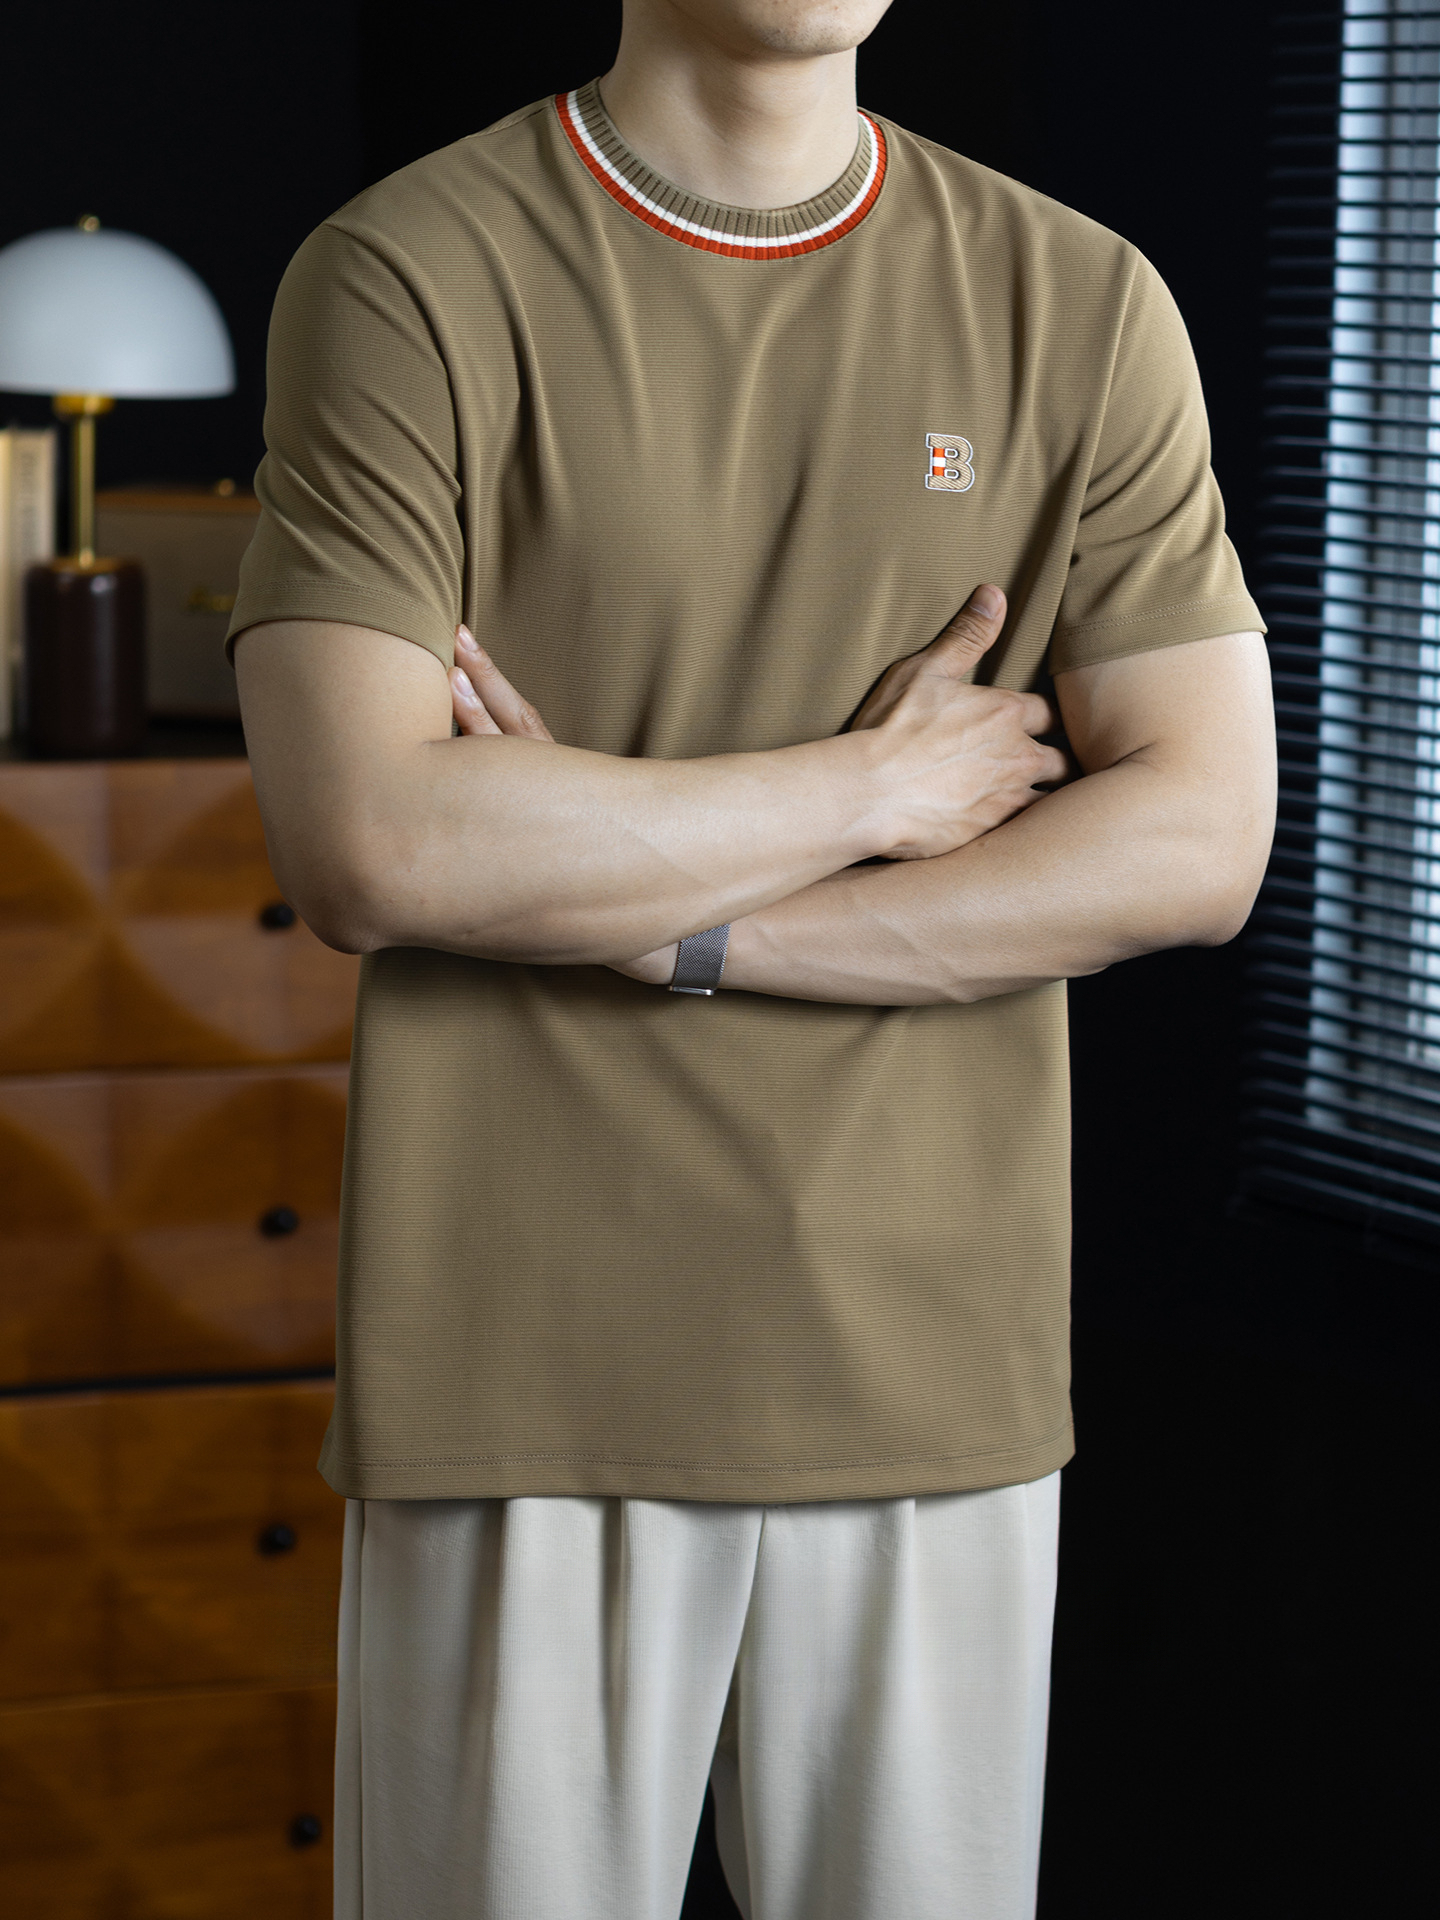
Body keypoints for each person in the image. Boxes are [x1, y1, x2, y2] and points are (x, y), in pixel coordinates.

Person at [228, 2, 1276, 1915]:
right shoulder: (409, 270)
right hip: (525, 1369)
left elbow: (1201, 842)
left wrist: (678, 928)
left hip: (929, 1365)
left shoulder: (1082, 297)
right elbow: (371, 842)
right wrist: (874, 787)